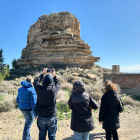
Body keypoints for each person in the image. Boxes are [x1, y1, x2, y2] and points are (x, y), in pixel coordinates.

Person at [34, 68, 61, 140]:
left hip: (41, 116)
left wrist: (42, 74)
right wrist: (54, 75)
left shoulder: (39, 88)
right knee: (52, 136)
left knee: (42, 136)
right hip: (51, 116)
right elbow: (58, 84)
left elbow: (36, 81)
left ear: (43, 81)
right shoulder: (53, 90)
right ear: (51, 82)